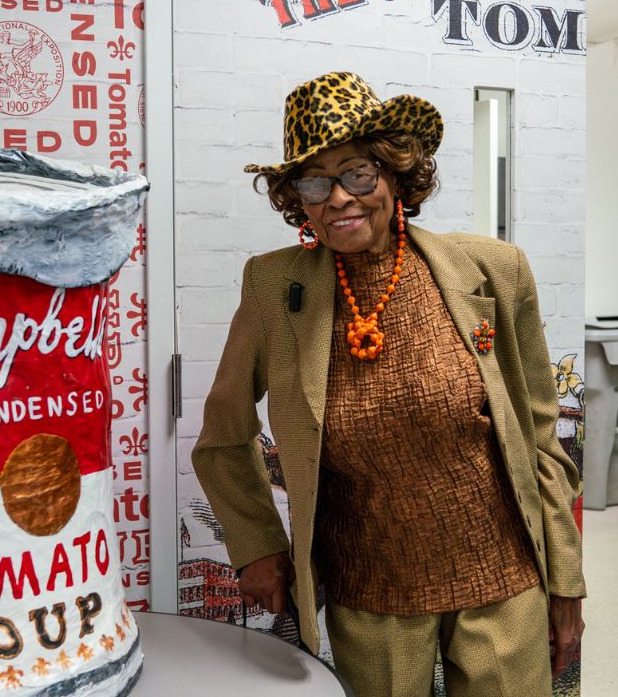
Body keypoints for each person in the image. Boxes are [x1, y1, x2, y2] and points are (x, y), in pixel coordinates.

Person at [191, 72, 585, 697]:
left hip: (501, 576)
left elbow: (541, 438)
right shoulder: (274, 289)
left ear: (396, 175)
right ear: (299, 200)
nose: (338, 198)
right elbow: (222, 437)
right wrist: (257, 545)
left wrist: (566, 582)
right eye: (315, 182)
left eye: (357, 174)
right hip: (369, 590)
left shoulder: (493, 271)